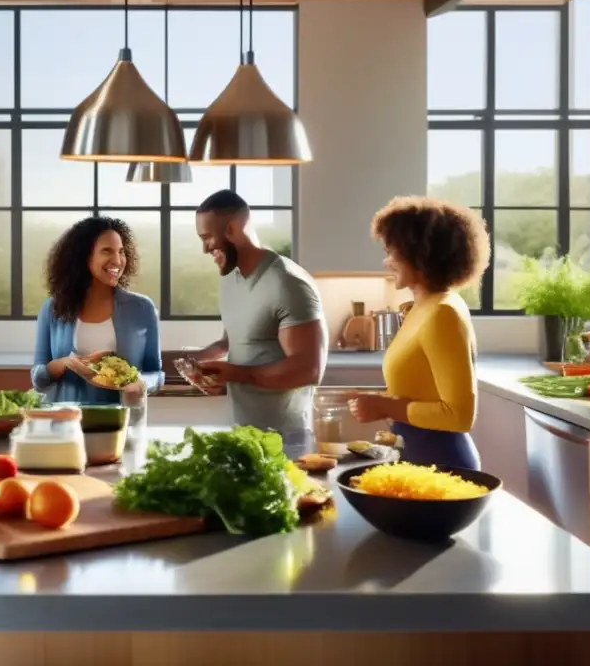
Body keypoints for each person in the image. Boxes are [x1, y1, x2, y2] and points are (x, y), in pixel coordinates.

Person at [348, 195, 491, 469]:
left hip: (443, 464)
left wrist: (384, 407)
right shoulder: (421, 307)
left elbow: (458, 415)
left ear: (421, 254)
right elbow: (423, 390)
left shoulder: (442, 313)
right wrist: (378, 398)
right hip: (417, 457)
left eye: (392, 252)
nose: (386, 262)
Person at [188, 190, 327, 458]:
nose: (204, 248)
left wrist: (236, 374)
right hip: (242, 435)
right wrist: (201, 368)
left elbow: (308, 369)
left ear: (231, 228)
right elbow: (231, 342)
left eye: (206, 237)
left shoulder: (288, 283)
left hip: (286, 441)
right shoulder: (229, 277)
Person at [31, 216, 164, 404]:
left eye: (121, 252)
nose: (117, 260)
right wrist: (66, 363)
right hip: (67, 421)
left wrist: (140, 383)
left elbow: (156, 374)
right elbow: (38, 378)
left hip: (123, 420)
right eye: (107, 251)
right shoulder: (53, 308)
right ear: (84, 256)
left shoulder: (142, 309)